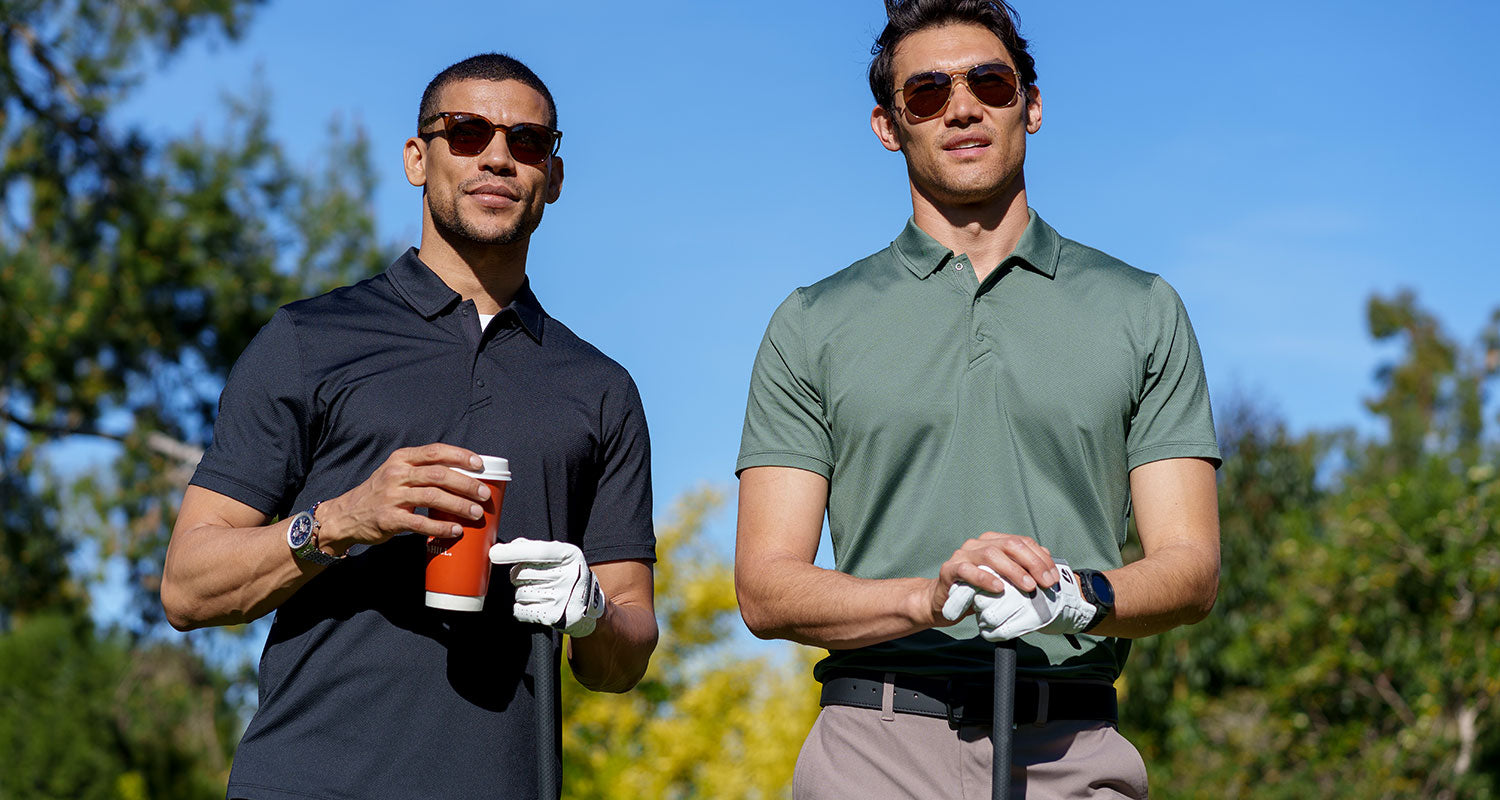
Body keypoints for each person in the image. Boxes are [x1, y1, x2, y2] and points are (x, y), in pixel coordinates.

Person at [734, 1, 1221, 797]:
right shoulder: (811, 321)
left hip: (1073, 748)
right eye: (926, 93)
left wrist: (1075, 596)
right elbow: (765, 586)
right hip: (872, 751)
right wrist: (928, 599)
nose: (962, 106)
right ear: (889, 126)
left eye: (989, 83)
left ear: (1030, 104)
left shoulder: (1141, 307)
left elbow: (1191, 567)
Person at [161, 53, 658, 800]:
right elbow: (186, 588)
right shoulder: (308, 341)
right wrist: (341, 520)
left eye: (527, 141)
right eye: (466, 132)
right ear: (417, 159)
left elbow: (624, 659)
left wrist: (590, 611)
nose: (497, 155)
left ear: (552, 177)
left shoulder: (599, 390)